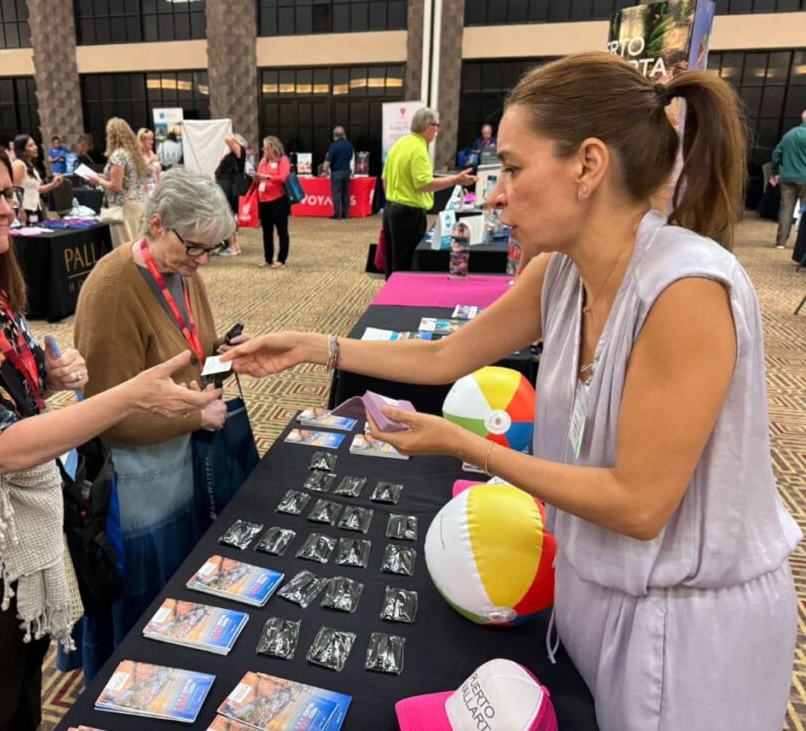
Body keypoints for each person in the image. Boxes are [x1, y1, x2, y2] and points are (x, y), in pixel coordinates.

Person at [229, 52, 800, 731]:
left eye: (515, 168)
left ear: (588, 166)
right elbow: (447, 354)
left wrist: (468, 446)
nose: (496, 195)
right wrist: (317, 347)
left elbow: (640, 505)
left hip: (690, 628)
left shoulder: (684, 291)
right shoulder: (561, 272)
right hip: (597, 589)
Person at [0, 123, 217, 731]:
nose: (7, 209)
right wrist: (130, 394)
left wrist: (44, 379)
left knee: (21, 686)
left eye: (8, 193)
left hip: (16, 519)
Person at [74, 168, 245, 654]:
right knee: (143, 593)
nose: (204, 260)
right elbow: (107, 415)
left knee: (176, 574)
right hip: (134, 480)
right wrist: (197, 417)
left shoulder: (179, 268)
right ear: (156, 225)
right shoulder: (113, 290)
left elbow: (189, 349)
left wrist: (224, 352)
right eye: (196, 247)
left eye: (214, 248)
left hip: (176, 462)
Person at [381, 107, 476, 277]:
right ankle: (403, 301)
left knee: (393, 263)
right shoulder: (418, 148)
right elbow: (424, 184)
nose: (438, 131)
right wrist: (455, 180)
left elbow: (385, 180)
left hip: (391, 211)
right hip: (408, 214)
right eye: (437, 126)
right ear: (428, 127)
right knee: (406, 264)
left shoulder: (399, 144)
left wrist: (394, 200)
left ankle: (391, 297)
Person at [86, 117, 147, 248]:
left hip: (124, 207)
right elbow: (127, 178)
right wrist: (103, 176)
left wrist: (99, 180)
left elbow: (116, 186)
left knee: (125, 248)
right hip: (139, 202)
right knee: (139, 246)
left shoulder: (118, 155)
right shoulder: (134, 154)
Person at [770, 109, 806, 249]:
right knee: (805, 211)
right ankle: (801, 245)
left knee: (786, 209)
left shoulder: (789, 134)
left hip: (787, 177)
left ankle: (781, 242)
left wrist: (775, 171)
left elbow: (776, 154)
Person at [255, 135, 292, 268]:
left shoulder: (283, 160)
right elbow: (259, 175)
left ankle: (281, 259)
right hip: (263, 200)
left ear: (274, 147)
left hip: (278, 200)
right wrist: (256, 178)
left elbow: (283, 177)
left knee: (282, 230)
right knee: (266, 231)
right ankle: (268, 258)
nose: (265, 151)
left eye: (268, 148)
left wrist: (267, 177)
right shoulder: (263, 161)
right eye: (264, 148)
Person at [11, 133, 62, 224]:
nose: (36, 147)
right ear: (22, 150)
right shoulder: (18, 164)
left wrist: (53, 184)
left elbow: (36, 189)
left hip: (35, 208)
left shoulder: (30, 165)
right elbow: (15, 189)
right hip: (24, 210)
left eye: (34, 144)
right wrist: (20, 209)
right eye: (31, 145)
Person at [214, 132, 249, 256]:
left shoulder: (240, 151)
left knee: (227, 216)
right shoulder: (233, 155)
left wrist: (232, 137)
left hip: (229, 188)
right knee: (228, 216)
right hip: (225, 186)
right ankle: (233, 245)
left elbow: (227, 138)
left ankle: (232, 246)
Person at [324, 126, 354, 219]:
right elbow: (351, 158)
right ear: (344, 134)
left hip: (336, 172)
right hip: (346, 172)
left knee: (337, 194)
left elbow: (327, 161)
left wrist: (325, 170)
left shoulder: (333, 146)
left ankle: (337, 214)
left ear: (334, 135)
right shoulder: (349, 145)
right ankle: (346, 213)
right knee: (346, 193)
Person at [136, 127, 162, 195]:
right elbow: (138, 171)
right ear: (142, 140)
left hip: (156, 190)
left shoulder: (151, 153)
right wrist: (150, 160)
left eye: (152, 139)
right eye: (149, 139)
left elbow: (157, 173)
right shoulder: (138, 154)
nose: (152, 142)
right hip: (144, 191)